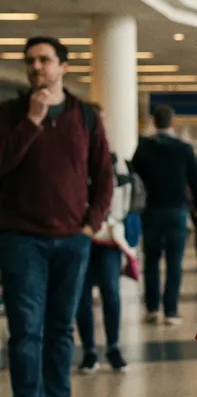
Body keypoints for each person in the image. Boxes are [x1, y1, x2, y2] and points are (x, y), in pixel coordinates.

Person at [0, 37, 112, 397]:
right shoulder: (11, 114)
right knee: (26, 332)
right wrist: (32, 120)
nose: (36, 68)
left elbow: (103, 174)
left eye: (45, 60)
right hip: (20, 239)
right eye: (30, 61)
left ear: (63, 66)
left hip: (72, 240)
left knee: (62, 330)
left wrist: (91, 224)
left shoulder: (85, 116)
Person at [132, 105, 197, 327]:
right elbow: (196, 179)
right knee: (174, 261)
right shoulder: (184, 149)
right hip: (176, 210)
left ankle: (152, 308)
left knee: (152, 260)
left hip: (152, 210)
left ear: (154, 122)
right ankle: (171, 311)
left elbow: (135, 175)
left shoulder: (144, 148)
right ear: (173, 123)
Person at [77, 130, 135, 374]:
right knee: (81, 295)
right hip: (79, 237)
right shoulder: (75, 159)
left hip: (107, 238)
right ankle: (89, 351)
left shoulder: (113, 161)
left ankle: (113, 347)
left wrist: (101, 219)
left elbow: (123, 198)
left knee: (111, 292)